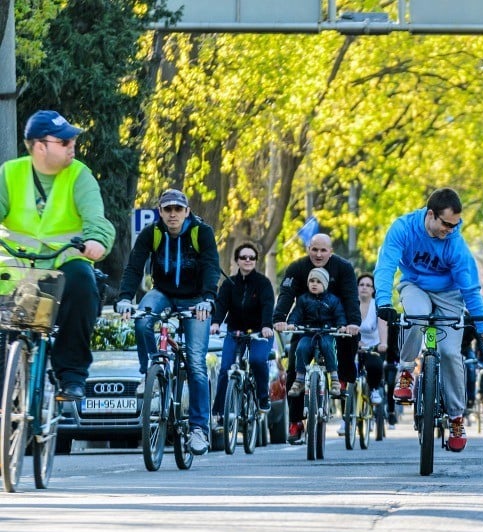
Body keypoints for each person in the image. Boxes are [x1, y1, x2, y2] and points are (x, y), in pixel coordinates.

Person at [0, 110, 114, 400]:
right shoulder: (10, 173)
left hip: (63, 265)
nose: (72, 144)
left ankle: (71, 375)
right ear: (41, 146)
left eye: (73, 139)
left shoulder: (80, 175)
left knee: (83, 282)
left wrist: (96, 240)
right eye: (64, 141)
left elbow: (96, 217)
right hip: (16, 268)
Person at [373, 187, 483, 453]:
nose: (450, 230)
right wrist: (383, 302)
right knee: (416, 317)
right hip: (415, 285)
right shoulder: (403, 229)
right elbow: (385, 266)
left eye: (456, 225)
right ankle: (405, 372)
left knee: (451, 354)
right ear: (431, 215)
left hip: (450, 294)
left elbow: (470, 290)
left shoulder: (456, 245)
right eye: (446, 224)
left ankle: (456, 418)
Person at [116, 188, 220, 455]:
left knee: (196, 363)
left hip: (196, 299)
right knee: (142, 320)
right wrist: (126, 298)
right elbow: (134, 266)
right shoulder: (152, 233)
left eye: (178, 209)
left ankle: (199, 430)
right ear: (160, 212)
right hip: (162, 293)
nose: (172, 214)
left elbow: (210, 266)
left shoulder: (201, 233)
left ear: (186, 211)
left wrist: (208, 299)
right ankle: (149, 371)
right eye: (167, 209)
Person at [273, 233, 360, 444]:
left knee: (348, 343)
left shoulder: (344, 268)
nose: (318, 254)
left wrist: (353, 323)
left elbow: (350, 297)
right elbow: (286, 295)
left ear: (331, 251)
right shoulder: (296, 268)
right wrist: (279, 319)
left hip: (335, 323)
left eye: (323, 250)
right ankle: (295, 421)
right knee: (294, 362)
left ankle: (341, 379)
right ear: (308, 249)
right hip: (306, 326)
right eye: (314, 249)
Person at [211, 243, 276, 428]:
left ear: (256, 261)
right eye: (243, 257)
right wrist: (216, 323)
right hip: (235, 332)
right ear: (237, 261)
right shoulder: (229, 284)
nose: (248, 260)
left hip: (260, 333)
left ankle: (263, 398)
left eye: (251, 258)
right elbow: (221, 305)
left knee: (257, 361)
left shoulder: (263, 283)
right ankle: (219, 413)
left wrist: (266, 326)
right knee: (225, 369)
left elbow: (267, 305)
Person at [283, 267, 346, 398]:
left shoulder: (333, 300)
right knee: (301, 348)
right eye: (311, 281)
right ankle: (299, 379)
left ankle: (334, 378)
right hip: (308, 332)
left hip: (327, 332)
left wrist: (341, 325)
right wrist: (292, 323)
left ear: (325, 284)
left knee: (328, 346)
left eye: (318, 281)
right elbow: (296, 313)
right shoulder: (303, 299)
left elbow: (340, 314)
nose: (314, 284)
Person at [357, 272, 388, 406]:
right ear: (357, 287)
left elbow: (382, 325)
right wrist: (357, 341)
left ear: (373, 290)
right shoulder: (351, 304)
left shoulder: (377, 305)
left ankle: (374, 389)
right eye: (361, 284)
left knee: (375, 365)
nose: (364, 287)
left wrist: (383, 342)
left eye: (368, 285)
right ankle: (345, 419)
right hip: (354, 345)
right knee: (347, 377)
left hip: (372, 346)